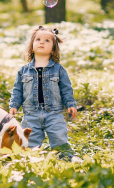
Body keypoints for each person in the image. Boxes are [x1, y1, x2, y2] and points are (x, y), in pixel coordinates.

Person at [9, 26, 78, 158]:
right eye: (38, 39)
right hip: (31, 114)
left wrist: (70, 103)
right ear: (32, 46)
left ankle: (67, 160)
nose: (41, 42)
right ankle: (31, 162)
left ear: (53, 49)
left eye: (47, 40)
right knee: (29, 143)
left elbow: (66, 89)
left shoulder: (59, 70)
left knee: (59, 139)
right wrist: (14, 105)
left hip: (54, 113)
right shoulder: (23, 71)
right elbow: (17, 90)